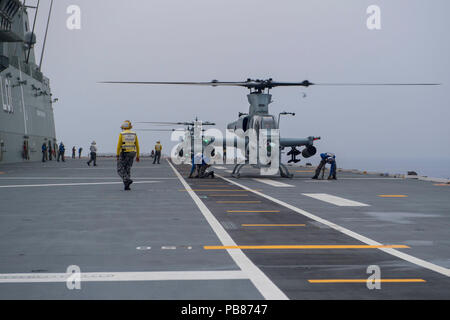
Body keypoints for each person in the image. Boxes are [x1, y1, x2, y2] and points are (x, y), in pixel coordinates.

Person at [116, 120, 140, 190]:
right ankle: (127, 186)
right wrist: (138, 156)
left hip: (124, 153)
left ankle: (127, 180)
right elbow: (137, 145)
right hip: (133, 153)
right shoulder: (134, 134)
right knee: (127, 168)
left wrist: (117, 155)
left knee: (120, 169)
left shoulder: (122, 134)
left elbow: (119, 145)